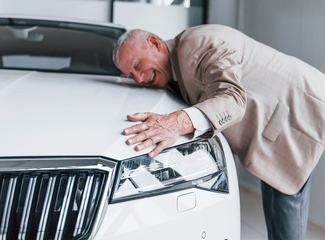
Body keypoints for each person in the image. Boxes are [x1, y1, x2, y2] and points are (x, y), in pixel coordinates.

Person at [113, 25, 325, 240]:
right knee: (277, 205)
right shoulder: (172, 69)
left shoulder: (199, 43)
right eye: (131, 75)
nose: (138, 78)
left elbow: (232, 99)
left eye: (137, 66)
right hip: (275, 127)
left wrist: (176, 123)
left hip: (299, 110)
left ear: (155, 43)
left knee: (286, 210)